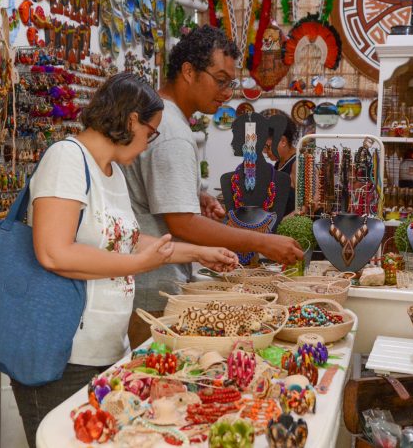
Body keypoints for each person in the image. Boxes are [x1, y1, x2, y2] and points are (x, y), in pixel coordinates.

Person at [11, 72, 238, 447]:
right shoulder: (67, 159)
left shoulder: (113, 170)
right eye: (152, 132)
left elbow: (128, 242)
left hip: (104, 350)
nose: (150, 142)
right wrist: (137, 266)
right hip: (60, 353)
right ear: (132, 120)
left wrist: (199, 252)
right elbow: (53, 252)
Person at [122, 26, 305, 346]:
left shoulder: (167, 121)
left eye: (230, 82)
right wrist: (264, 243)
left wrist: (196, 195)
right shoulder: (173, 132)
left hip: (148, 281)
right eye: (220, 80)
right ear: (189, 72)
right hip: (151, 288)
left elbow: (163, 200)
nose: (226, 92)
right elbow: (183, 223)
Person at [264, 118, 298, 212]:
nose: (266, 152)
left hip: (289, 224)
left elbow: (304, 207)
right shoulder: (279, 163)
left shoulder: (298, 164)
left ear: (283, 141)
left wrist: (280, 223)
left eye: (268, 147)